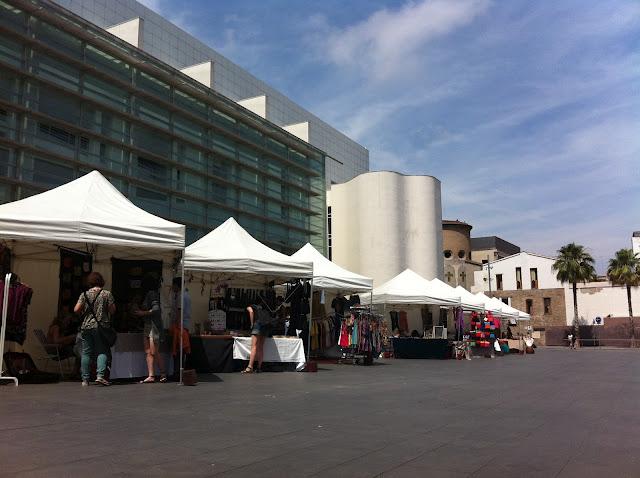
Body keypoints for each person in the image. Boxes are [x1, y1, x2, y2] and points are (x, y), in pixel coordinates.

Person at [74, 272, 115, 386]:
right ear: (101, 281)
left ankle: (85, 379)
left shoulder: (84, 294)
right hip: (100, 327)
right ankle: (100, 376)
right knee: (102, 350)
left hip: (86, 326)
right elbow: (112, 310)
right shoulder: (106, 294)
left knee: (86, 353)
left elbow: (76, 310)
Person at [134, 275, 166, 383]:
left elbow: (156, 309)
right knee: (149, 351)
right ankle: (151, 375)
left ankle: (162, 373)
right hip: (149, 325)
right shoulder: (151, 294)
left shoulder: (151, 294)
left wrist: (142, 313)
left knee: (153, 351)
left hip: (153, 326)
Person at [242, 302, 272, 374]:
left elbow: (251, 311)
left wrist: (252, 323)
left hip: (257, 324)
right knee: (261, 347)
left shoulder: (250, 306)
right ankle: (259, 367)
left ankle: (250, 367)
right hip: (265, 326)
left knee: (254, 346)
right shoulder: (264, 308)